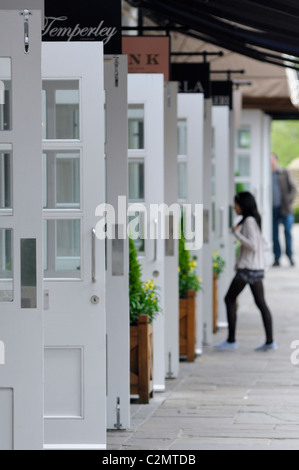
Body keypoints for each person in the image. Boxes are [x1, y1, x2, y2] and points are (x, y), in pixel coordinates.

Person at [215, 192, 277, 352]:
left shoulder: (248, 221)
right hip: (256, 268)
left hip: (247, 268)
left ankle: (231, 340)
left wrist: (236, 233)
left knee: (229, 299)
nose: (235, 207)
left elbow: (253, 245)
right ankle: (270, 341)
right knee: (261, 303)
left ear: (243, 205)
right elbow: (263, 243)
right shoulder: (254, 220)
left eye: (236, 204)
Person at [271, 153, 297, 267]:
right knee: (274, 235)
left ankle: (290, 256)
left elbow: (294, 189)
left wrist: (288, 200)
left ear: (276, 160)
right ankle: (277, 257)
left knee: (287, 232)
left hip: (285, 208)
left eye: (272, 160)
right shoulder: (266, 175)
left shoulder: (284, 172)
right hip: (273, 209)